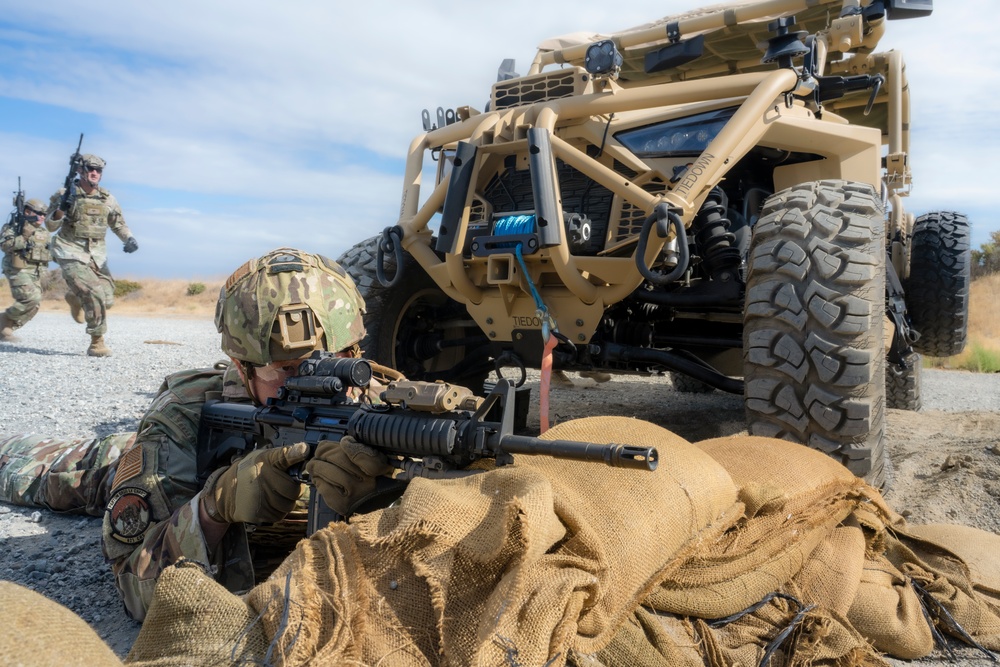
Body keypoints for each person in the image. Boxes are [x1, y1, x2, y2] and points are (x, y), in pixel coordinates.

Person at [0, 247, 393, 621]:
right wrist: (213, 508)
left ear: (356, 354)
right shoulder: (184, 416)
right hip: (134, 465)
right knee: (42, 472)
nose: (317, 383)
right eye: (286, 370)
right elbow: (136, 587)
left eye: (335, 363)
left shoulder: (383, 410)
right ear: (243, 368)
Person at [46, 153, 139, 356]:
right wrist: (62, 208)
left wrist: (129, 239)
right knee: (94, 293)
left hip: (96, 254)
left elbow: (118, 223)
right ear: (80, 170)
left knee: (107, 299)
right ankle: (97, 342)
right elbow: (50, 225)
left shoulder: (107, 198)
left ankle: (75, 297)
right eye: (90, 168)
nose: (95, 173)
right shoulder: (65, 193)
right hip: (69, 250)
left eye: (99, 170)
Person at [0, 198, 52, 341]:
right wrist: (23, 236)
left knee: (34, 306)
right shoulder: (13, 228)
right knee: (31, 297)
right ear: (28, 211)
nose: (43, 217)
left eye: (44, 214)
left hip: (36, 272)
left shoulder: (43, 232)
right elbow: (5, 245)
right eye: (40, 213)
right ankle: (4, 320)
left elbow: (49, 251)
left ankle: (5, 329)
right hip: (17, 269)